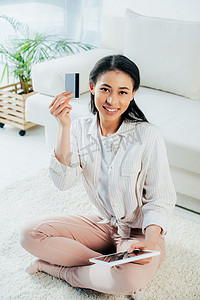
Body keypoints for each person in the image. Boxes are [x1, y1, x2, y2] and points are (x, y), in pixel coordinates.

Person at [20, 55, 177, 299]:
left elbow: (161, 198)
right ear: (92, 87)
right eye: (105, 89)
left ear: (133, 93)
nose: (113, 100)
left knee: (128, 279)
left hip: (139, 233)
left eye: (123, 92)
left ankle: (54, 268)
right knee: (30, 234)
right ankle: (111, 266)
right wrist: (63, 127)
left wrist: (150, 241)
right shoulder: (79, 130)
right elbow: (63, 183)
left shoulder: (147, 135)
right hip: (102, 224)